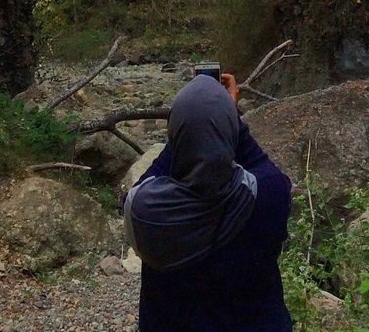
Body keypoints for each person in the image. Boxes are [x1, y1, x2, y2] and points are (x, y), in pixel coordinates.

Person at [123, 70, 293, 332]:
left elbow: (149, 179)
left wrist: (188, 127)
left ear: (175, 134)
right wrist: (230, 117)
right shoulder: (269, 197)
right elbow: (263, 166)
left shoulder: (145, 214)